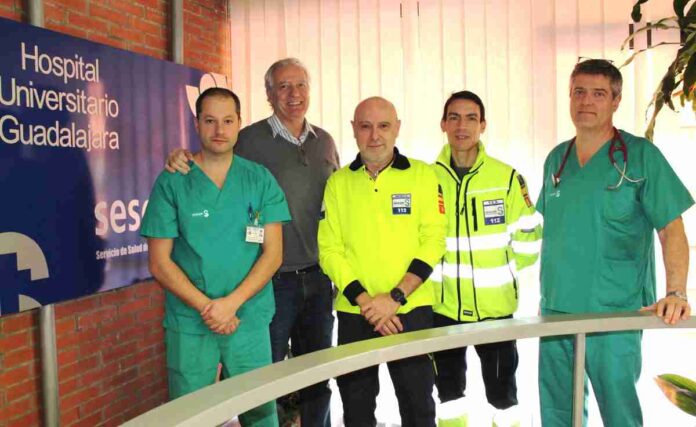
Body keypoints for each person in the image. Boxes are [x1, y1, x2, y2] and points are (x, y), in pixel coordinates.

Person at [166, 58, 339, 427]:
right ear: (269, 94)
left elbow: (337, 204)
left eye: (300, 85)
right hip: (270, 281)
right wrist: (179, 157)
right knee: (262, 385)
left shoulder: (324, 141)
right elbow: (209, 158)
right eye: (283, 86)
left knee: (317, 376)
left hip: (318, 277)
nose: (293, 94)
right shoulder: (248, 139)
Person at [536, 59, 693, 427]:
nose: (586, 101)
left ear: (616, 100)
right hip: (556, 308)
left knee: (619, 413)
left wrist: (676, 292)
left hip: (615, 311)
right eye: (579, 92)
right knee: (557, 413)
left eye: (598, 93)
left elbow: (671, 229)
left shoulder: (640, 157)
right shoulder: (556, 160)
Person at [142, 87, 290, 426]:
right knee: (191, 416)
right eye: (210, 121)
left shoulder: (259, 180)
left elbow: (273, 254)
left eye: (227, 121)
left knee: (261, 413)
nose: (219, 130)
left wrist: (231, 304)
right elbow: (159, 263)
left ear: (239, 123)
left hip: (247, 318)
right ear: (196, 124)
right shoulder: (173, 182)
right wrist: (210, 309)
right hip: (191, 321)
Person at [318, 97, 446, 427]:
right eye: (366, 126)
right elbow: (329, 250)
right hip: (355, 313)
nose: (375, 135)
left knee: (419, 409)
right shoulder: (338, 183)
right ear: (354, 130)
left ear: (397, 128)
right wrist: (367, 303)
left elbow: (434, 241)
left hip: (411, 311)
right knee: (357, 412)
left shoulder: (423, 175)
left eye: (384, 126)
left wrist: (394, 298)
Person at [430, 91, 542, 427]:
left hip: (495, 310)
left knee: (503, 397)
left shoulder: (506, 178)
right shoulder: (426, 179)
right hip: (443, 309)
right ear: (443, 124)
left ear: (483, 125)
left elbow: (529, 238)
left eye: (470, 118)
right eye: (454, 117)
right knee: (448, 396)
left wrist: (502, 272)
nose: (461, 126)